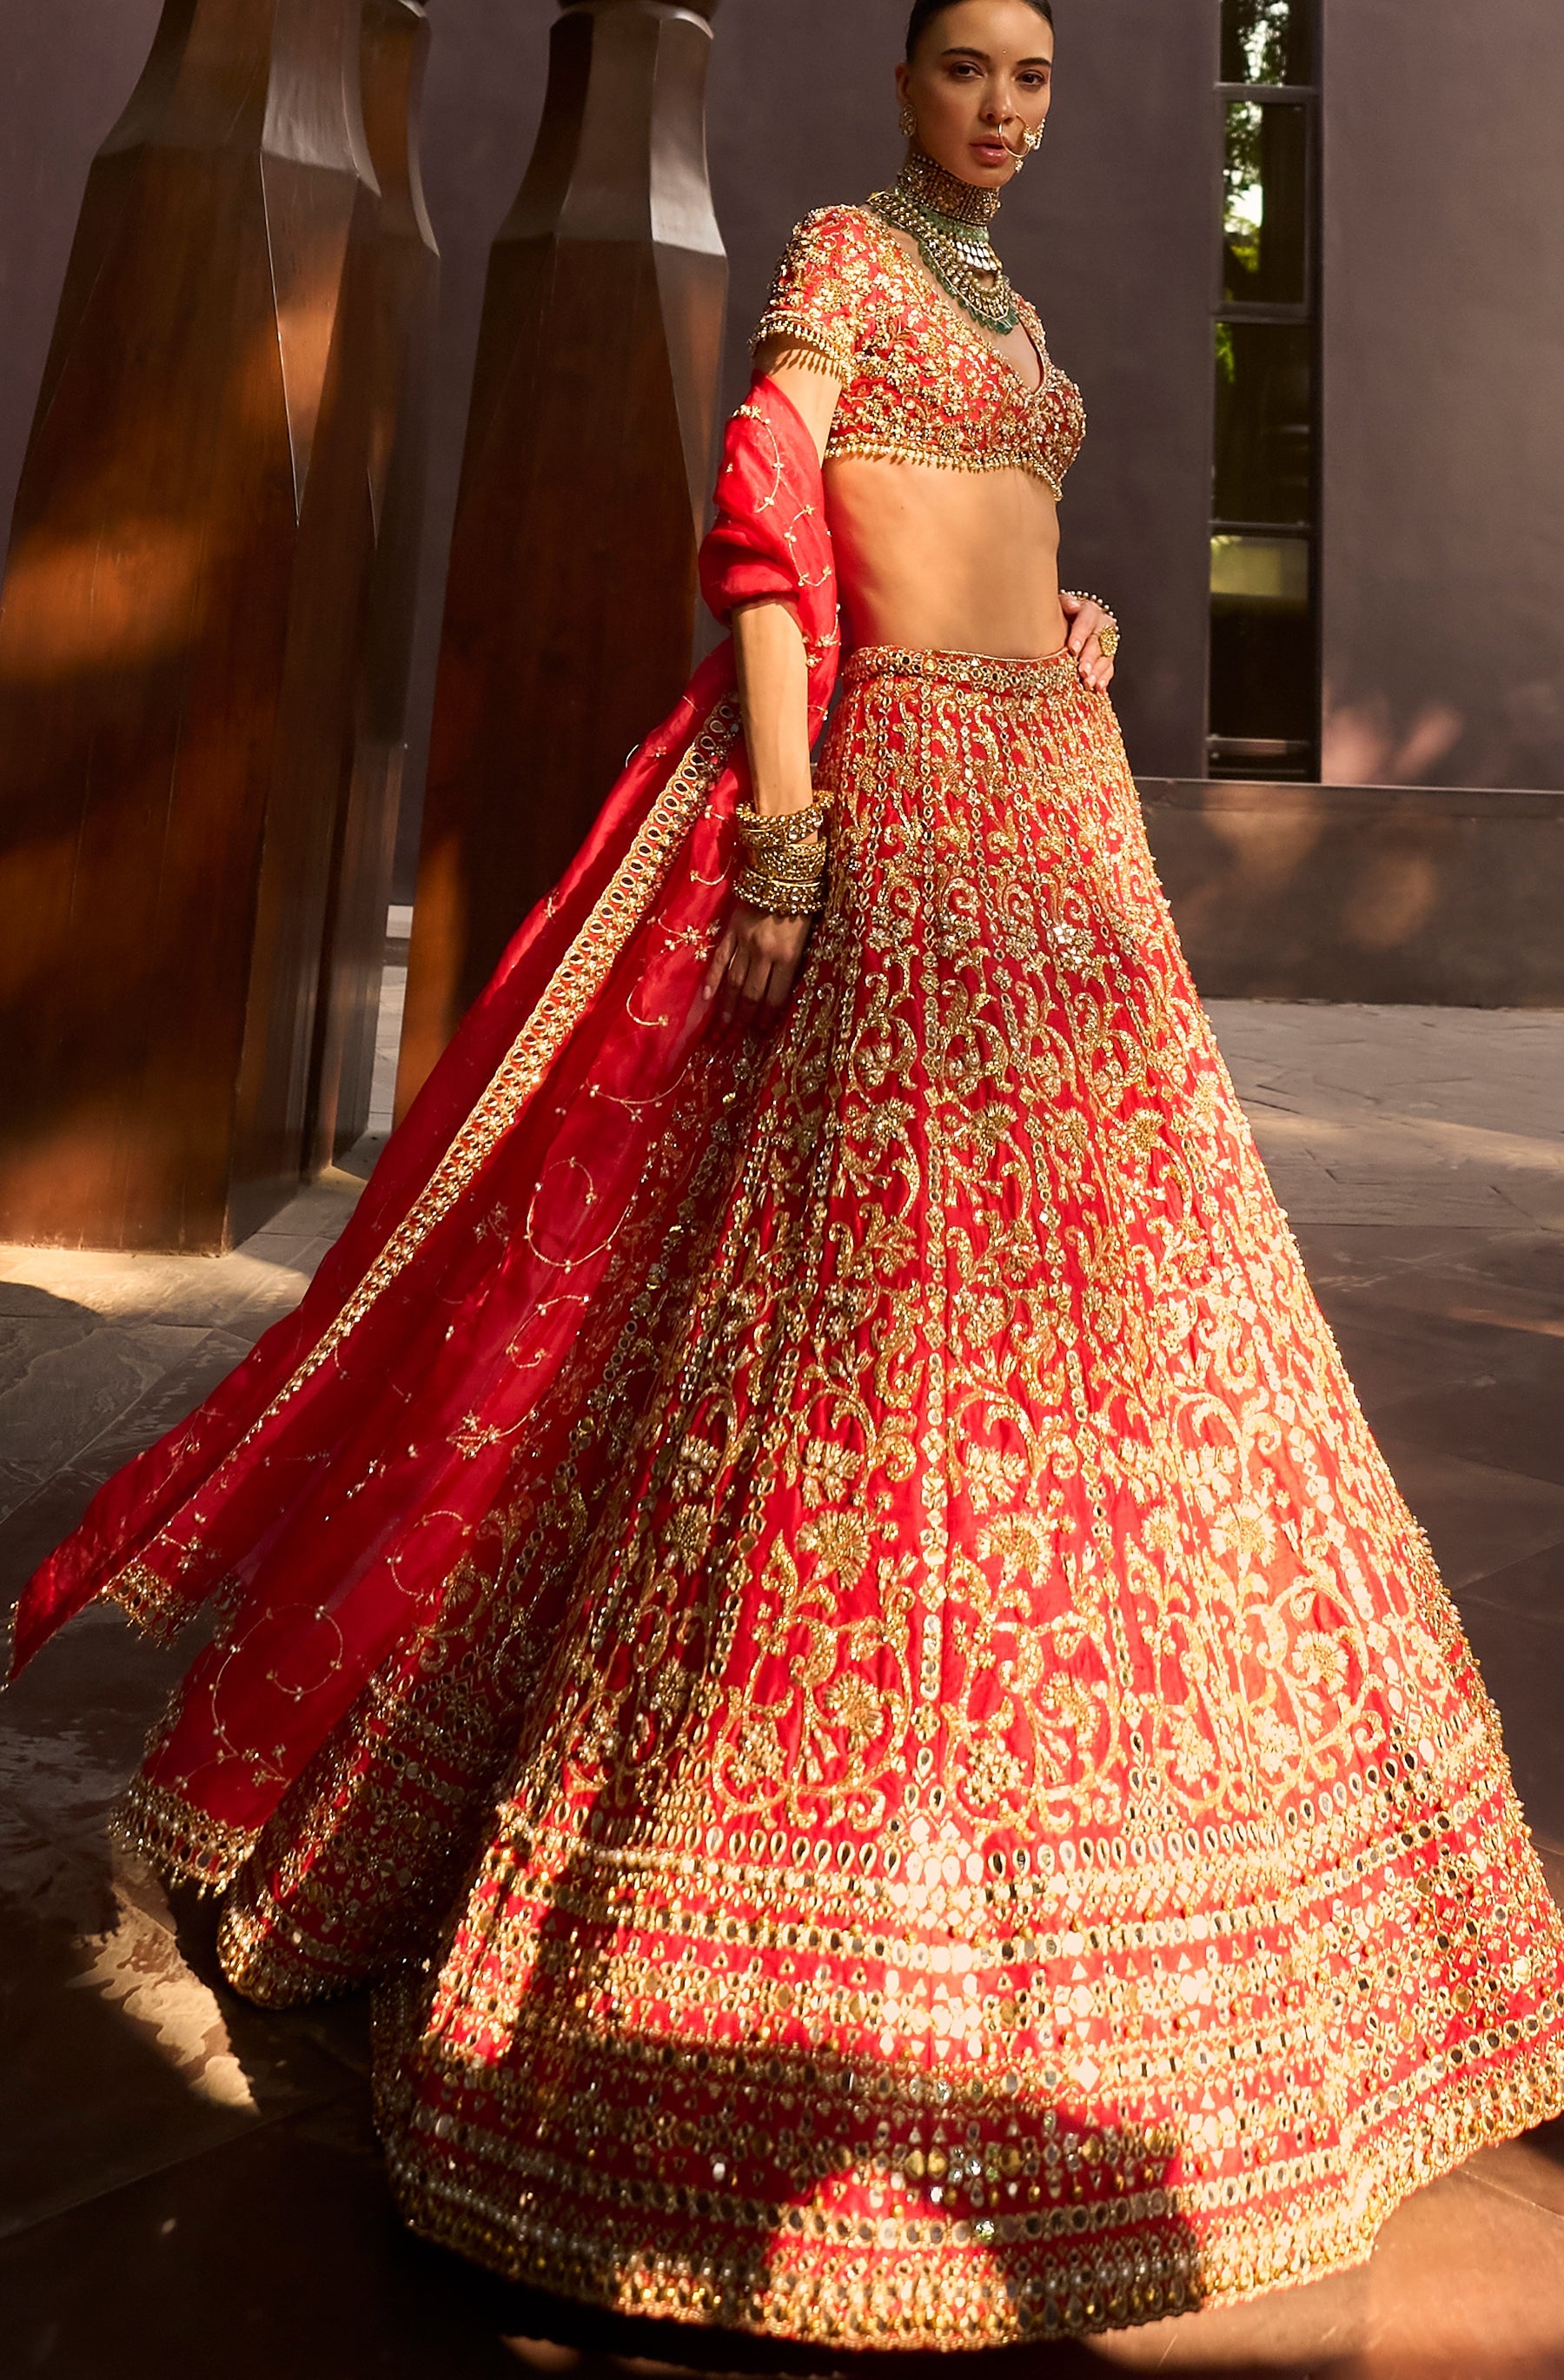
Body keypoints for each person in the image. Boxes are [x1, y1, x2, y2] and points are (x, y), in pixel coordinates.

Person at [10, 0, 1564, 2349]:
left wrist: (1067, 626)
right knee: (840, 1328)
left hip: (1058, 804)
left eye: (1037, 76)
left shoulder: (1020, 309)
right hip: (909, 810)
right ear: (909, 89)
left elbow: (994, 521)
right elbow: (770, 506)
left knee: (1144, 1314)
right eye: (973, 70)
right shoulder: (840, 253)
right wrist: (798, 816)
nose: (1009, 108)